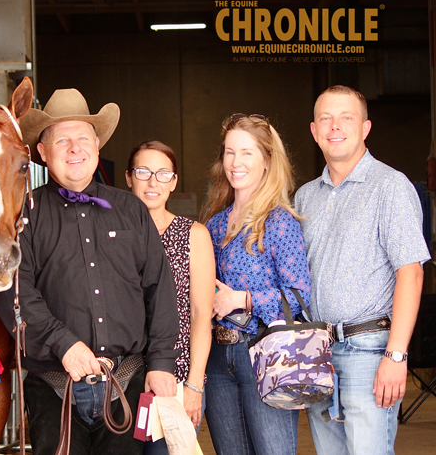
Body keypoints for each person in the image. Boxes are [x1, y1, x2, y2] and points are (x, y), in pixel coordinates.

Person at [0, 88, 180, 455]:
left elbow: (160, 289)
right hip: (53, 388)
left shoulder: (132, 211)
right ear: (43, 154)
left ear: (96, 145)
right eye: (61, 140)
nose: (74, 148)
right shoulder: (22, 216)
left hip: (127, 380)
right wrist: (64, 344)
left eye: (82, 138)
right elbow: (13, 294)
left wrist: (161, 363)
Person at [294, 85, 430, 455]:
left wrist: (396, 355)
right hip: (318, 353)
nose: (335, 126)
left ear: (365, 128)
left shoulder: (390, 186)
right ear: (314, 130)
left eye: (346, 118)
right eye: (326, 118)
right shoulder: (305, 196)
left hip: (369, 352)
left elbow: (411, 273)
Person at [201, 113, 312, 455]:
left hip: (265, 352)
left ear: (266, 160)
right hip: (218, 359)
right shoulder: (215, 224)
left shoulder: (280, 221)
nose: (236, 162)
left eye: (247, 153)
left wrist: (242, 299)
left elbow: (299, 297)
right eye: (230, 152)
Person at [125, 141, 215, 454]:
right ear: (128, 178)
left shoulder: (194, 234)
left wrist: (194, 385)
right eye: (143, 172)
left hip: (174, 382)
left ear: (174, 181)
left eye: (163, 174)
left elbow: (202, 313)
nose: (153, 182)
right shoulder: (113, 235)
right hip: (120, 381)